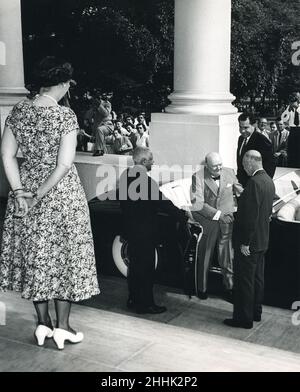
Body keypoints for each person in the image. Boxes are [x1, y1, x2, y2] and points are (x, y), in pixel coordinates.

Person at [0, 56, 100, 349]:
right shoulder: (65, 116)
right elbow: (64, 164)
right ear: (64, 84)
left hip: (25, 189)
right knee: (65, 259)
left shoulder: (19, 110)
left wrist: (21, 193)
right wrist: (39, 194)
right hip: (61, 196)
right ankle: (63, 328)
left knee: (37, 258)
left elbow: (6, 155)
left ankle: (43, 324)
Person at [119, 147, 187, 314]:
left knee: (134, 267)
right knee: (146, 269)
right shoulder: (147, 182)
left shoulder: (124, 177)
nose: (153, 162)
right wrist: (183, 215)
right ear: (143, 162)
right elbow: (163, 203)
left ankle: (133, 299)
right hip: (145, 233)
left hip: (131, 231)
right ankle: (146, 304)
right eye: (151, 160)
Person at [224, 150, 275, 329]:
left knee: (244, 280)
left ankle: (243, 319)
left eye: (245, 165)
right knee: (257, 278)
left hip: (250, 243)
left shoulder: (254, 182)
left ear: (251, 162)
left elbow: (250, 217)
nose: (244, 169)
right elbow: (265, 211)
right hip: (263, 240)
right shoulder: (268, 180)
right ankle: (255, 312)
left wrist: (245, 242)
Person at [190, 152, 243, 299]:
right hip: (209, 222)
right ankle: (202, 288)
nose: (219, 168)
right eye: (215, 166)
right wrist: (219, 215)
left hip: (228, 221)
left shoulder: (230, 172)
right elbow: (198, 203)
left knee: (227, 255)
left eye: (220, 164)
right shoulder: (197, 177)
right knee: (205, 255)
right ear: (206, 165)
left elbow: (240, 192)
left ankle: (230, 288)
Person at [237, 113, 275, 186]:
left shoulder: (262, 140)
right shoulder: (240, 139)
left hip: (256, 185)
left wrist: (263, 184)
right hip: (242, 184)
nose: (242, 131)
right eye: (240, 127)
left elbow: (270, 165)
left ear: (254, 125)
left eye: (245, 128)